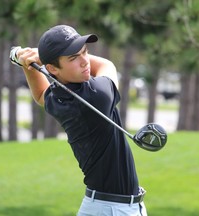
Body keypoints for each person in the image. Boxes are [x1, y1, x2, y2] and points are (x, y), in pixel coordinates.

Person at [13, 25, 147, 216]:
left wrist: (29, 65)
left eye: (85, 52)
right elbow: (107, 65)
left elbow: (41, 93)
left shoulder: (59, 96)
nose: (85, 62)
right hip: (112, 209)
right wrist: (39, 58)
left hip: (105, 206)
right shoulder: (97, 96)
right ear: (51, 69)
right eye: (73, 58)